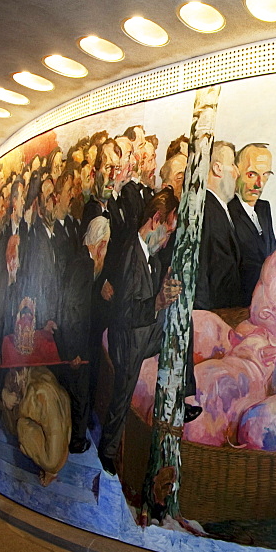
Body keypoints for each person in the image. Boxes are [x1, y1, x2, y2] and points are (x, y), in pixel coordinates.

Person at [99, 189, 183, 475]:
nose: (167, 238)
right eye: (167, 231)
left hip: (143, 332)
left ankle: (185, 394)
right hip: (127, 339)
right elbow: (123, 313)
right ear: (156, 219)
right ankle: (107, 454)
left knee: (183, 323)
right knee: (121, 398)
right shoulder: (129, 254)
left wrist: (166, 294)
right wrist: (158, 302)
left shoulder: (153, 257)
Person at [227, 143, 276, 306]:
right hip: (240, 305)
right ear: (236, 172)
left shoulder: (264, 208)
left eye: (266, 175)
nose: (259, 184)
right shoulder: (227, 211)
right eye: (251, 174)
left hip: (267, 301)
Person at [195, 141, 242, 310]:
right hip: (216, 313)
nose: (237, 172)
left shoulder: (217, 208)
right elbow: (204, 272)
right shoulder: (208, 210)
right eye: (232, 165)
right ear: (217, 168)